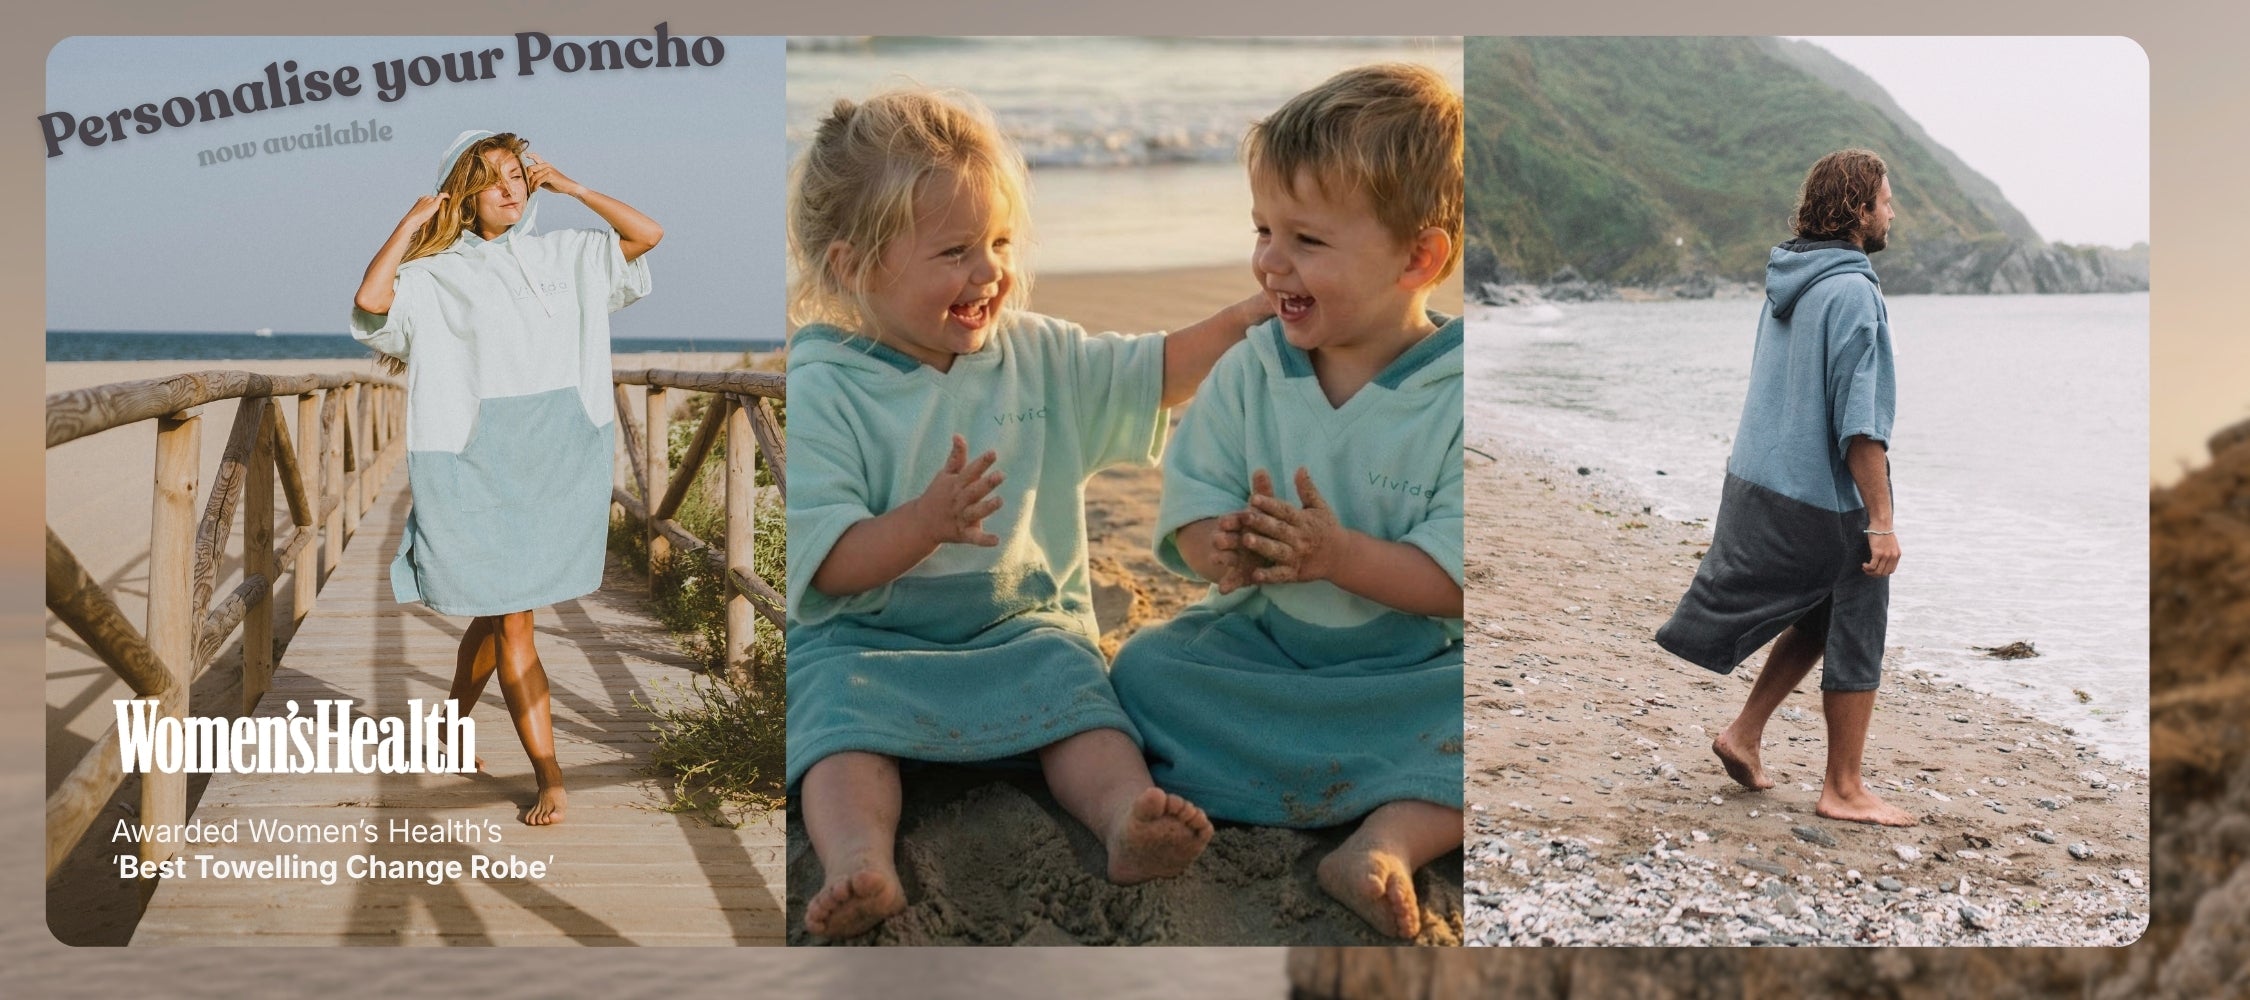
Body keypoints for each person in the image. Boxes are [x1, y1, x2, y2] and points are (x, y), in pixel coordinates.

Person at [783, 88, 1271, 939]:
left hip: (1021, 629)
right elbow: (828, 565)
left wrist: (1240, 323)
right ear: (852, 267)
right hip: (874, 642)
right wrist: (922, 524)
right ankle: (861, 859)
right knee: (835, 723)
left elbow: (1153, 371)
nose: (989, 273)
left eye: (1000, 242)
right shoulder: (827, 383)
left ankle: (1123, 821)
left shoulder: (1036, 354)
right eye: (954, 251)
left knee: (1082, 702)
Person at [1108, 63, 1467, 940]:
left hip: (1408, 669)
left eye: (1306, 239)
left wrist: (1337, 557)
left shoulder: (1460, 392)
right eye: (1263, 229)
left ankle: (1386, 839)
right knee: (1142, 671)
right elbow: (1194, 503)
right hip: (1263, 649)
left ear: (1419, 258)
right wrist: (1217, 547)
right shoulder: (1249, 371)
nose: (1270, 261)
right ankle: (1331, 794)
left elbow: (1458, 582)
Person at [350, 130, 662, 826]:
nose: (510, 188)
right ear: (463, 194)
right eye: (491, 178)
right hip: (473, 462)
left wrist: (573, 188)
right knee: (514, 616)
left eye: (518, 175)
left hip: (554, 456)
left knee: (500, 609)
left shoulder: (567, 254)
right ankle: (551, 775)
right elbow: (372, 304)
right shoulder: (434, 277)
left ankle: (445, 730)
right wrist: (410, 224)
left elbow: (648, 234)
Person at [1654, 147, 1912, 828]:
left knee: (1822, 610)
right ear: (1857, 209)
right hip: (1820, 503)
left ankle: (1743, 734)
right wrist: (1881, 521)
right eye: (1886, 198)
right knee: (1859, 613)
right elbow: (1861, 426)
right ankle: (1845, 788)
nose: (1893, 210)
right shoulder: (1854, 290)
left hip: (1761, 486)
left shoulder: (1791, 281)